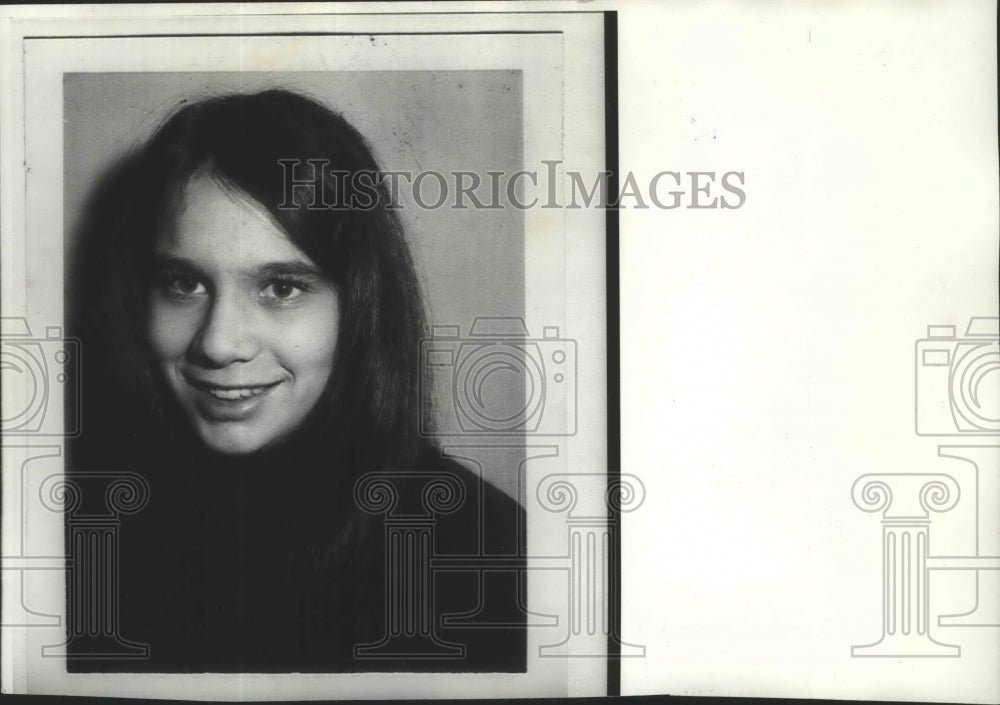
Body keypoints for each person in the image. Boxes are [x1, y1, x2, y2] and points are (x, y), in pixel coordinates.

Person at [66, 89, 526, 673]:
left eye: (281, 287)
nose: (219, 342)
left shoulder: (489, 560)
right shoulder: (75, 527)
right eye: (184, 284)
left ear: (359, 307)